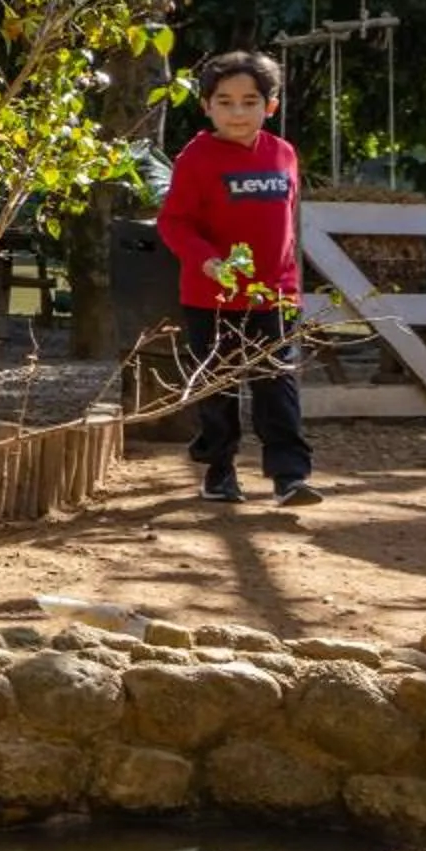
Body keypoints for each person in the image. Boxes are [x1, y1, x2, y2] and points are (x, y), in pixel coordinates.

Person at [158, 51, 324, 508]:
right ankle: (219, 470)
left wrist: (289, 287)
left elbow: (288, 226)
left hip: (274, 298)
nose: (237, 112)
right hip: (210, 297)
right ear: (207, 106)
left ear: (270, 106)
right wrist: (208, 261)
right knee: (218, 385)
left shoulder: (283, 154)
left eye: (249, 101)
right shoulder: (196, 158)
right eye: (225, 101)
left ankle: (290, 475)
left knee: (278, 382)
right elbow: (175, 223)